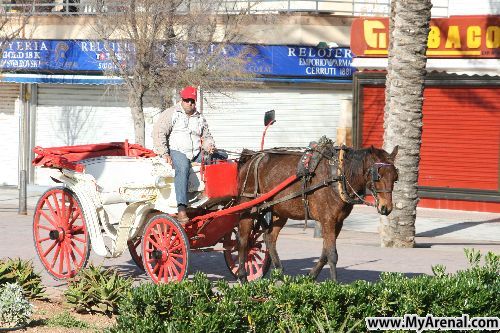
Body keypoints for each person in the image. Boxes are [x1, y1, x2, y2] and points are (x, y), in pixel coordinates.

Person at [152, 86, 216, 224]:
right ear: (182, 100)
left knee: (218, 158)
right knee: (182, 166)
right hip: (177, 151)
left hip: (196, 152)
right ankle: (181, 208)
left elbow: (207, 136)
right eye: (187, 100)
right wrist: (164, 153)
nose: (190, 104)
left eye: (192, 101)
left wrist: (209, 145)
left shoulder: (200, 118)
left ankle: (210, 194)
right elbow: (159, 132)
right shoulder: (171, 113)